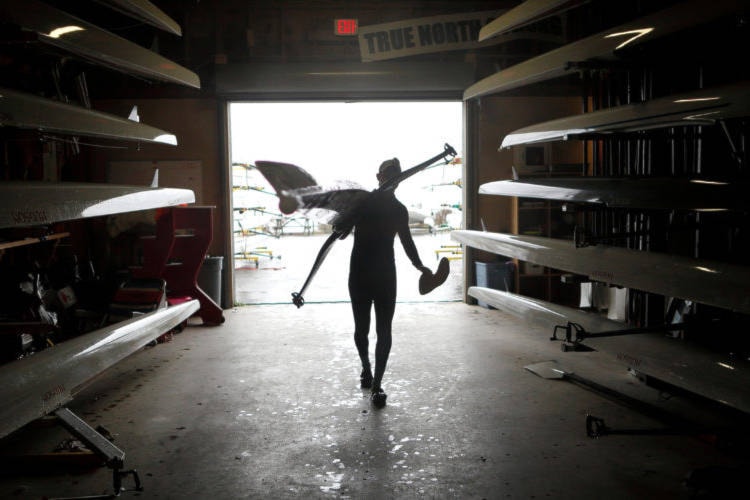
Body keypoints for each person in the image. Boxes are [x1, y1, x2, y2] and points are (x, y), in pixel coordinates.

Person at [348, 158, 430, 408]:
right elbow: (339, 231)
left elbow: (407, 242)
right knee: (361, 329)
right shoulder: (362, 204)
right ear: (379, 176)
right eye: (389, 174)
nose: (393, 178)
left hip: (385, 276)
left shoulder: (398, 210)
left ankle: (377, 385)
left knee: (384, 331)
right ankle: (366, 368)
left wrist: (420, 266)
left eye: (397, 175)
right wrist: (342, 222)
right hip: (360, 274)